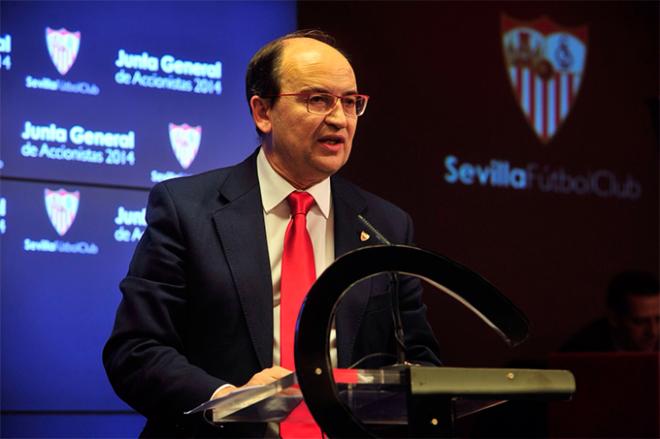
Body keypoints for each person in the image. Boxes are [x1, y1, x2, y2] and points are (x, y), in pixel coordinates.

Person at [103, 30, 440, 438]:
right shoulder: (186, 209)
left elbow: (420, 362)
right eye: (318, 100)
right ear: (263, 112)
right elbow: (135, 351)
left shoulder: (387, 226)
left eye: (350, 102)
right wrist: (231, 400)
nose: (339, 118)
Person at [561, 270, 659, 352]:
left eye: (658, 319)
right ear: (614, 318)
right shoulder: (582, 351)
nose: (653, 331)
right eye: (640, 322)